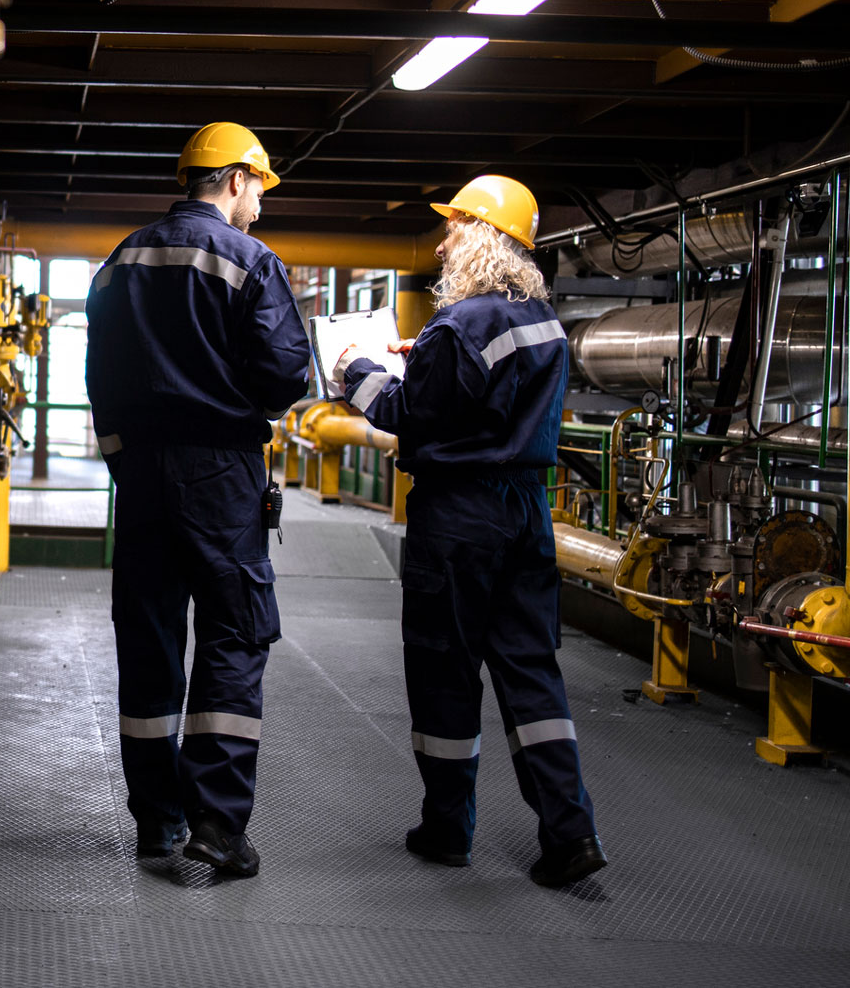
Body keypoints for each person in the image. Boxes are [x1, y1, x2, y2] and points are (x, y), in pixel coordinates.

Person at [332, 174, 606, 889]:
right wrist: (422, 356)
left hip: (458, 519)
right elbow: (482, 393)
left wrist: (353, 370)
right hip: (526, 512)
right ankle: (571, 832)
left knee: (444, 668)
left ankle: (448, 827)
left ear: (485, 238)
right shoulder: (543, 322)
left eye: (455, 227)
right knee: (531, 672)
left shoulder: (463, 324)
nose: (445, 240)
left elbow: (406, 415)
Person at [85, 121, 312, 878]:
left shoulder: (122, 260)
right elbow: (286, 375)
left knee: (148, 638)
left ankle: (157, 820)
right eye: (259, 190)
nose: (260, 206)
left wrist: (123, 458)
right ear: (238, 180)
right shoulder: (251, 262)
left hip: (142, 474)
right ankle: (218, 824)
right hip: (221, 473)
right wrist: (228, 403)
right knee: (234, 635)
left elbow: (101, 379)